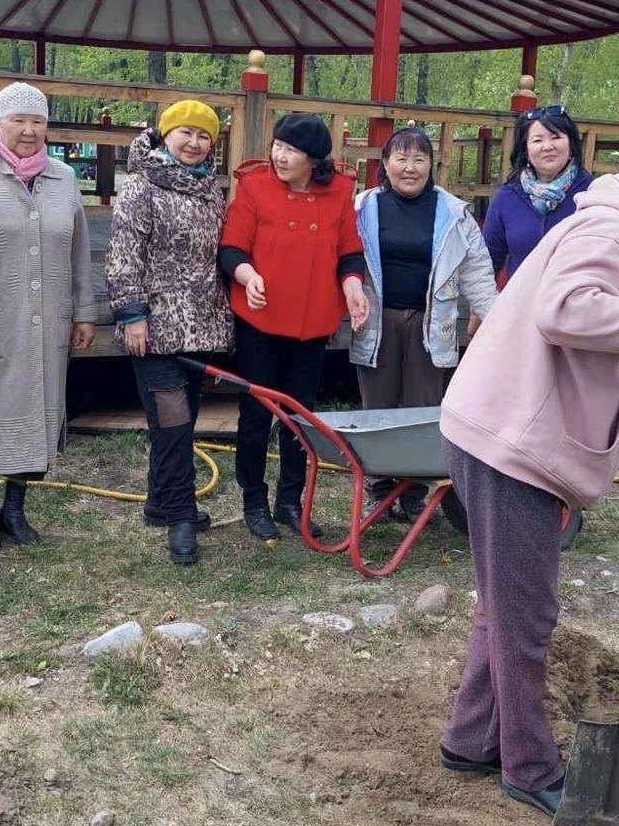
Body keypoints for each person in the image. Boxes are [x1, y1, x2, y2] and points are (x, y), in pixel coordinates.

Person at [437, 162, 619, 818]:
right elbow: (568, 310)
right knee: (526, 616)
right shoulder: (611, 229)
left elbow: (602, 330)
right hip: (509, 440)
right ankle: (529, 766)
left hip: (506, 431)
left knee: (503, 604)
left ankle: (470, 739)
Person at [0, 82, 97, 550]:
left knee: (39, 412)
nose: (29, 130)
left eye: (38, 121)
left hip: (50, 317)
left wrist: (85, 312)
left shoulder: (63, 178)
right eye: (19, 121)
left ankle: (17, 507)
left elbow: (79, 251)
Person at [220, 113, 369, 542]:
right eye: (278, 146)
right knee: (256, 414)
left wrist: (353, 287)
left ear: (315, 160)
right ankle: (253, 499)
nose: (280, 157)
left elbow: (349, 251)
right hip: (260, 320)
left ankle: (290, 499)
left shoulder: (339, 191)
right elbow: (231, 247)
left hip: (312, 325)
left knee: (299, 417)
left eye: (292, 152)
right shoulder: (255, 185)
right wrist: (248, 277)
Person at [105, 100, 232, 566]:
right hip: (154, 326)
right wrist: (131, 314)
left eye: (203, 136)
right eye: (185, 133)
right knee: (173, 422)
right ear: (165, 135)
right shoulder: (142, 185)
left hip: (199, 326)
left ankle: (160, 502)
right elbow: (122, 254)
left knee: (181, 420)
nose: (194, 143)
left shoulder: (210, 190)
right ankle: (181, 514)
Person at [350, 127, 498, 520]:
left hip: (431, 325)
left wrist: (499, 323)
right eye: (401, 158)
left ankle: (413, 493)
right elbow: (342, 262)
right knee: (376, 410)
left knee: (422, 410)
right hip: (377, 321)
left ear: (431, 165)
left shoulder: (453, 213)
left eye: (419, 159)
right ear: (384, 164)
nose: (410, 168)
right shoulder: (362, 208)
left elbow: (478, 271)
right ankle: (379, 490)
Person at [484, 106, 593, 280]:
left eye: (556, 137)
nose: (548, 146)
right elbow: (487, 264)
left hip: (578, 302)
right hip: (521, 302)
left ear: (571, 144)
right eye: (537, 140)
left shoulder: (593, 194)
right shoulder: (506, 198)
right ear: (525, 150)